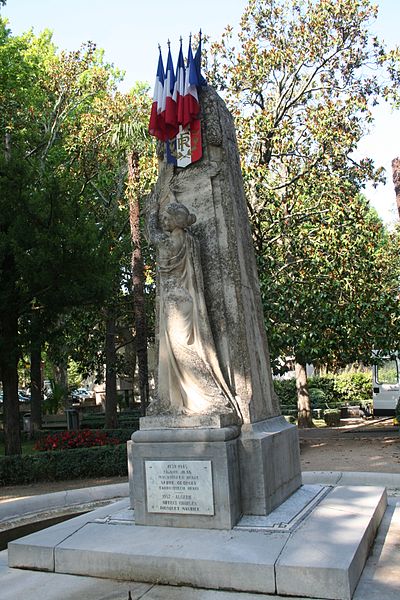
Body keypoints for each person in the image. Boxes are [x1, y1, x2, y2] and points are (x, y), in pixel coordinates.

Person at [146, 193, 239, 418]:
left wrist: (151, 212)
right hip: (180, 301)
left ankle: (210, 399)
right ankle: (195, 398)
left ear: (177, 221)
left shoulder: (174, 241)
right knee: (180, 352)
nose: (164, 222)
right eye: (163, 218)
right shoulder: (190, 240)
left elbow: (153, 237)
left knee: (182, 353)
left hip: (177, 304)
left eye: (167, 218)